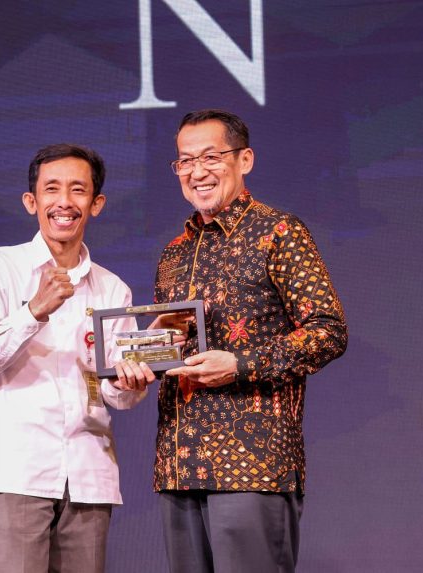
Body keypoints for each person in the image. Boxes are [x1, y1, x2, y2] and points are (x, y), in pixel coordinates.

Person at [151, 109, 347, 572]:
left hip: (253, 465)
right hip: (179, 465)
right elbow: (168, 348)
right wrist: (139, 360)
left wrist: (240, 365)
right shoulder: (174, 253)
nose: (197, 171)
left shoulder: (278, 232)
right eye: (185, 161)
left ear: (245, 160)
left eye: (211, 157)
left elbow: (328, 330)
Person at [0, 143, 155, 573]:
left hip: (89, 475)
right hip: (19, 472)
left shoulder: (112, 289)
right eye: (52, 189)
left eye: (78, 190)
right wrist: (33, 312)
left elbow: (116, 394)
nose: (64, 202)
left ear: (96, 204)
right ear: (32, 201)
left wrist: (129, 382)